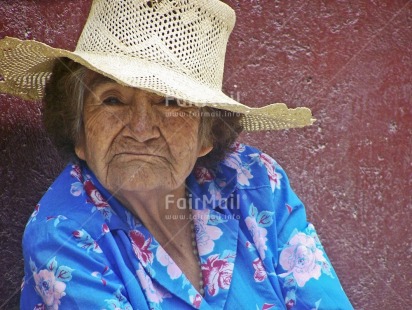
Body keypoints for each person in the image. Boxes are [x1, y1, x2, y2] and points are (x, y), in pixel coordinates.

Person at [0, 0, 353, 309]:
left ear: (206, 134)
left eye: (170, 102)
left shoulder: (256, 182)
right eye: (112, 100)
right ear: (77, 130)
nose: (140, 128)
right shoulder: (63, 235)